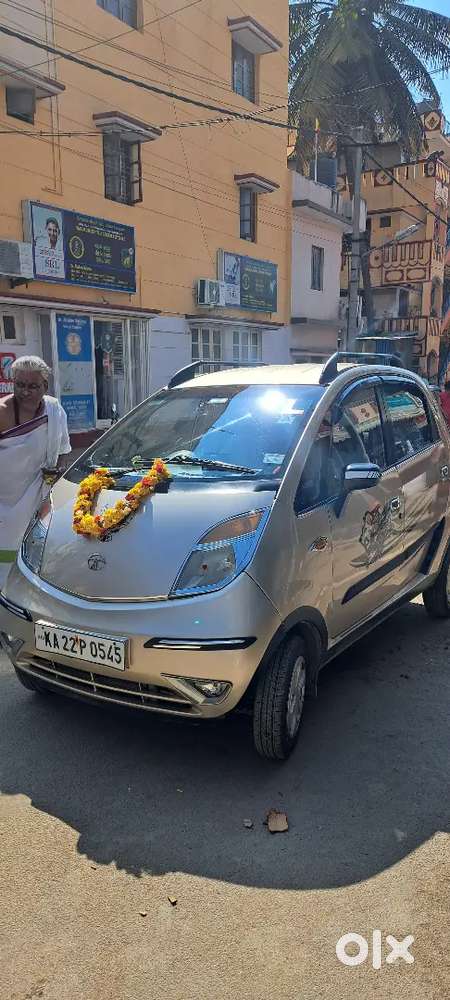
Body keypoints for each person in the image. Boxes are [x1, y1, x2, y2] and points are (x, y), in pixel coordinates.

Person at [0, 356, 71, 588]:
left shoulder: (54, 409)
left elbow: (62, 448)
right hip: (5, 499)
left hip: (40, 493)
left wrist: (56, 474)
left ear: (45, 387)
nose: (26, 392)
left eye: (33, 386)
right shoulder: (2, 412)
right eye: (20, 385)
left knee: (36, 547)